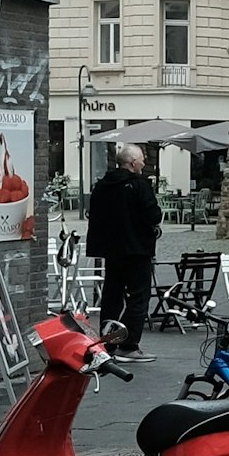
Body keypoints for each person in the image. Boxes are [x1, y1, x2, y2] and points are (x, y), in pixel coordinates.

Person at [87, 145, 162, 362]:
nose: (143, 164)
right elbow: (152, 214)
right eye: (140, 161)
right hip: (137, 250)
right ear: (131, 163)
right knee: (138, 296)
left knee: (112, 295)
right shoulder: (139, 185)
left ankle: (107, 341)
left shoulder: (102, 186)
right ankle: (128, 344)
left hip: (112, 251)